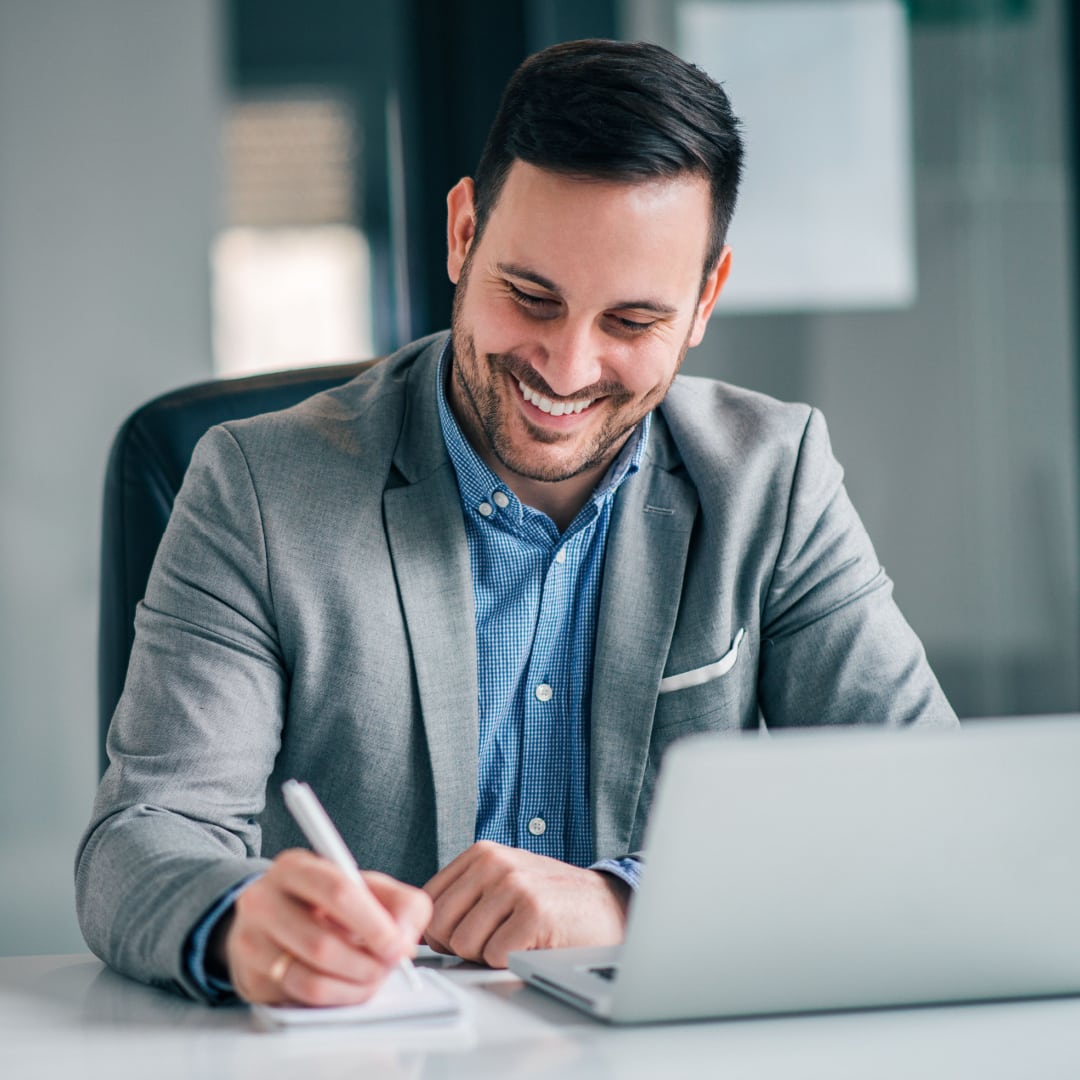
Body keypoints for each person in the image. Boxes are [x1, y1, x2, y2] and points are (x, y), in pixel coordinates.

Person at [76, 38, 956, 1007]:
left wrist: (630, 904)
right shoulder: (256, 487)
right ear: (463, 234)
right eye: (529, 297)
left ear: (704, 299)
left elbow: (931, 822)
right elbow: (138, 841)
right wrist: (242, 921)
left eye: (630, 323)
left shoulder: (774, 481)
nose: (567, 369)